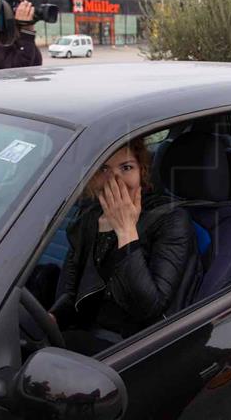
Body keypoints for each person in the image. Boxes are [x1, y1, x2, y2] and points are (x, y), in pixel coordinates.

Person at [49, 137, 203, 355]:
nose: (116, 180)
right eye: (103, 169)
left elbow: (149, 308)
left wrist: (126, 231)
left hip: (134, 346)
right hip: (85, 332)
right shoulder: (89, 217)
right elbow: (73, 292)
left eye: (126, 167)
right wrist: (53, 317)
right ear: (92, 178)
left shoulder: (171, 219)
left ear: (142, 171)